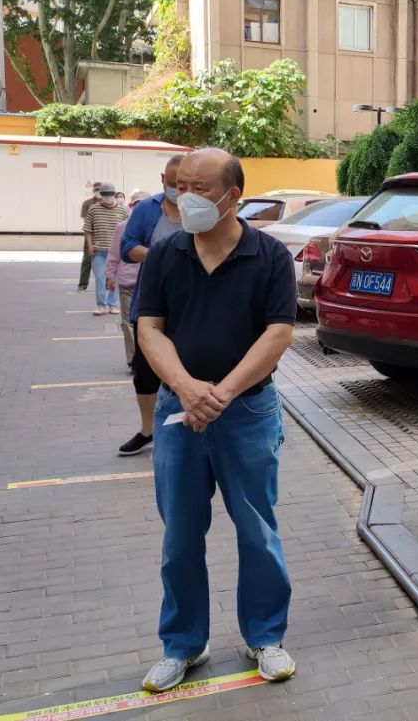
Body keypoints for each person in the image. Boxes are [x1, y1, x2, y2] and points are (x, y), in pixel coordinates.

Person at [136, 148, 297, 692]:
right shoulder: (166, 252)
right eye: (180, 186)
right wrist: (186, 388)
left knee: (257, 530)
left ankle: (265, 637)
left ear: (233, 196)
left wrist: (222, 393)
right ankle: (183, 644)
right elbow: (149, 329)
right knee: (180, 536)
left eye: (199, 188)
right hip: (178, 413)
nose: (185, 197)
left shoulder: (269, 256)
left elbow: (278, 333)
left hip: (246, 410)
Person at [117, 158, 184, 457]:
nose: (177, 190)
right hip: (151, 304)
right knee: (145, 373)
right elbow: (127, 247)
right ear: (162, 179)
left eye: (183, 185)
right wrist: (159, 256)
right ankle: (148, 431)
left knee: (186, 370)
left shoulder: (201, 209)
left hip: (190, 307)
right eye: (172, 184)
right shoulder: (147, 209)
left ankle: (184, 427)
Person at [105, 190, 148, 376]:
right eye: (136, 204)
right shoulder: (122, 227)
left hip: (149, 282)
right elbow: (114, 253)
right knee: (128, 322)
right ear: (131, 206)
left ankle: (148, 358)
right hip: (127, 282)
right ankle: (133, 359)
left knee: (148, 323)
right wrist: (110, 276)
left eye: (143, 204)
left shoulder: (154, 226)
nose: (139, 208)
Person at [83, 182, 128, 316]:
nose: (107, 197)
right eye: (104, 195)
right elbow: (88, 229)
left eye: (109, 195)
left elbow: (128, 229)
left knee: (113, 278)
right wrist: (90, 246)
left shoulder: (122, 210)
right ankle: (101, 305)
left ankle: (112, 304)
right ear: (100, 195)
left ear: (114, 194)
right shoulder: (93, 209)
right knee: (100, 277)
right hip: (99, 251)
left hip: (116, 252)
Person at [78, 182, 102, 292]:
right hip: (90, 234)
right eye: (96, 190)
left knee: (107, 260)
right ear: (93, 191)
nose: (98, 192)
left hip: (105, 234)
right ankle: (82, 285)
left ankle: (106, 284)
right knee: (87, 260)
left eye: (100, 190)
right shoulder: (87, 203)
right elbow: (86, 220)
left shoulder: (109, 203)